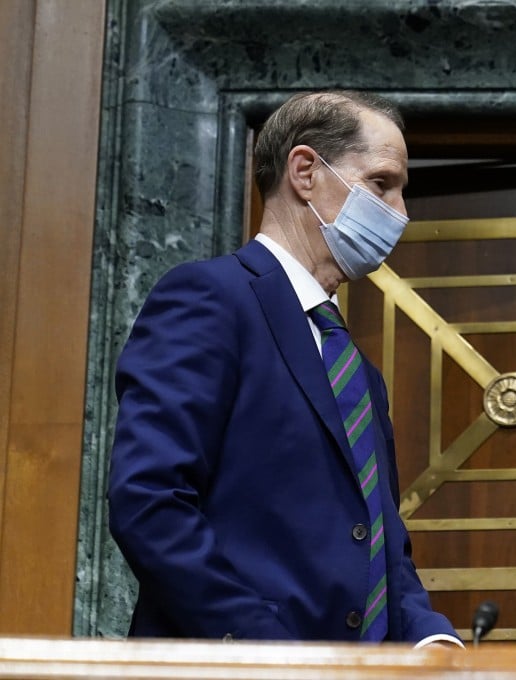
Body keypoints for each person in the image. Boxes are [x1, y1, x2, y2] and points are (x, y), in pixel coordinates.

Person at [107, 90, 460, 646]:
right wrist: (263, 650)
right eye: (382, 184)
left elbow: (379, 543)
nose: (401, 214)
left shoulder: (360, 371)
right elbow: (151, 503)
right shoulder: (209, 297)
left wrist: (431, 639)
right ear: (304, 171)